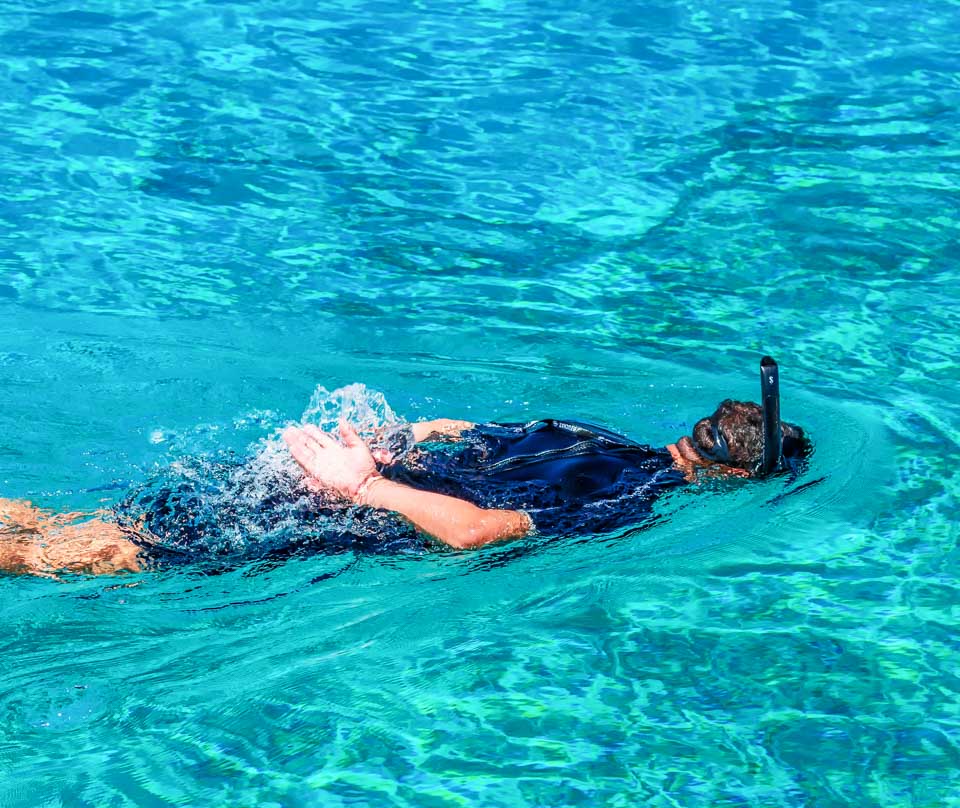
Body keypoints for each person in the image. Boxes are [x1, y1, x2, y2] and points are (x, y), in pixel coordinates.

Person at [0, 359, 809, 577]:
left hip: (311, 476)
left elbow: (446, 429)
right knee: (107, 552)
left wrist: (386, 446)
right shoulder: (632, 501)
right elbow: (476, 532)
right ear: (736, 477)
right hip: (341, 501)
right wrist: (366, 484)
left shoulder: (591, 434)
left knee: (78, 527)